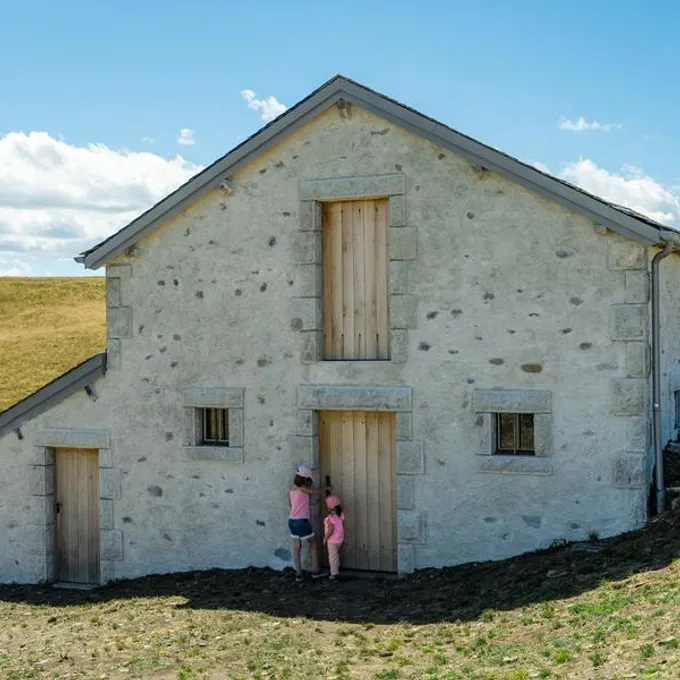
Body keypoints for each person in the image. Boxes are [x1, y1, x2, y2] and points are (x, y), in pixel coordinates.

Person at [288, 464, 329, 582]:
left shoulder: (291, 490)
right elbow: (315, 492)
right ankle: (315, 571)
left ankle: (298, 573)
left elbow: (290, 505)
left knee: (297, 546)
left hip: (292, 520)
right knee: (313, 544)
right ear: (305, 479)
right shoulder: (303, 489)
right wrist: (326, 488)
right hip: (302, 521)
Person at [323, 495, 344, 581]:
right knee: (335, 555)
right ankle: (337, 567)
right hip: (340, 539)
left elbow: (331, 529)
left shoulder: (330, 518)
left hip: (332, 541)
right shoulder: (340, 515)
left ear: (329, 507)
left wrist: (325, 538)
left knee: (332, 557)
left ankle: (334, 574)